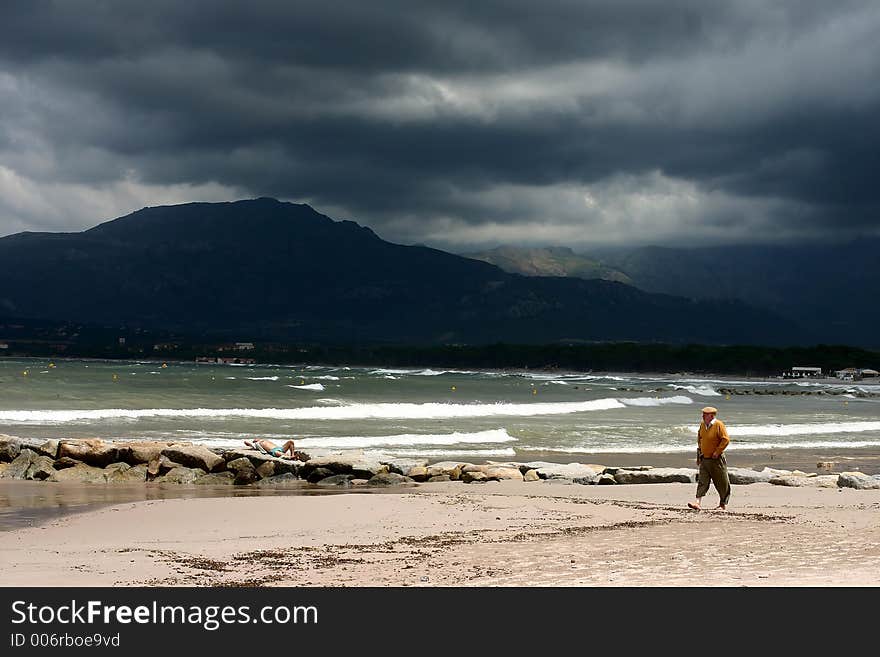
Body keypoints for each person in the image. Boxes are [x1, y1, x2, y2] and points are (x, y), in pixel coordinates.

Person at [687, 406, 731, 511]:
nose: (702, 416)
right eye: (703, 414)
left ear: (711, 416)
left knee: (722, 482)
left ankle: (722, 504)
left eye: (705, 414)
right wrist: (699, 456)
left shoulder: (718, 425)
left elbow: (725, 440)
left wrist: (717, 452)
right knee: (702, 481)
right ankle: (697, 503)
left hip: (717, 459)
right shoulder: (702, 425)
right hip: (704, 459)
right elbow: (700, 440)